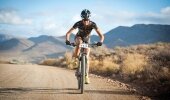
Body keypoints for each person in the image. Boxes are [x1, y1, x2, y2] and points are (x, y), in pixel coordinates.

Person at [65, 9, 104, 84]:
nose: (85, 21)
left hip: (87, 40)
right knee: (79, 43)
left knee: (87, 58)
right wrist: (67, 40)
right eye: (84, 19)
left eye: (87, 19)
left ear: (89, 19)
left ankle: (86, 76)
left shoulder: (93, 24)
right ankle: (75, 60)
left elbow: (101, 35)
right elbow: (68, 33)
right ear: (82, 18)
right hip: (78, 37)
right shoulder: (78, 23)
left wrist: (101, 41)